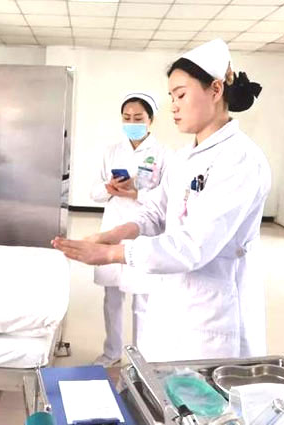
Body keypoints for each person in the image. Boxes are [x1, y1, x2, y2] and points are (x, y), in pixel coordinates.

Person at [53, 39, 269, 361]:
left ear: (215, 89)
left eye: (181, 95)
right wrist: (110, 235)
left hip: (214, 316)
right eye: (171, 97)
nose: (174, 107)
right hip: (174, 297)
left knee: (202, 390)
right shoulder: (185, 158)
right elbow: (155, 212)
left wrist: (112, 252)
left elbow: (194, 246)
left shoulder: (240, 159)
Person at [90, 92, 169, 366]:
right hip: (113, 227)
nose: (132, 123)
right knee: (111, 296)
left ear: (150, 120)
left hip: (143, 230)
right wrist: (109, 188)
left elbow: (165, 198)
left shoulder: (163, 154)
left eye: (138, 118)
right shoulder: (111, 151)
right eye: (127, 118)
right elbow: (94, 193)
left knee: (142, 300)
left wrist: (136, 193)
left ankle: (140, 358)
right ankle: (112, 352)